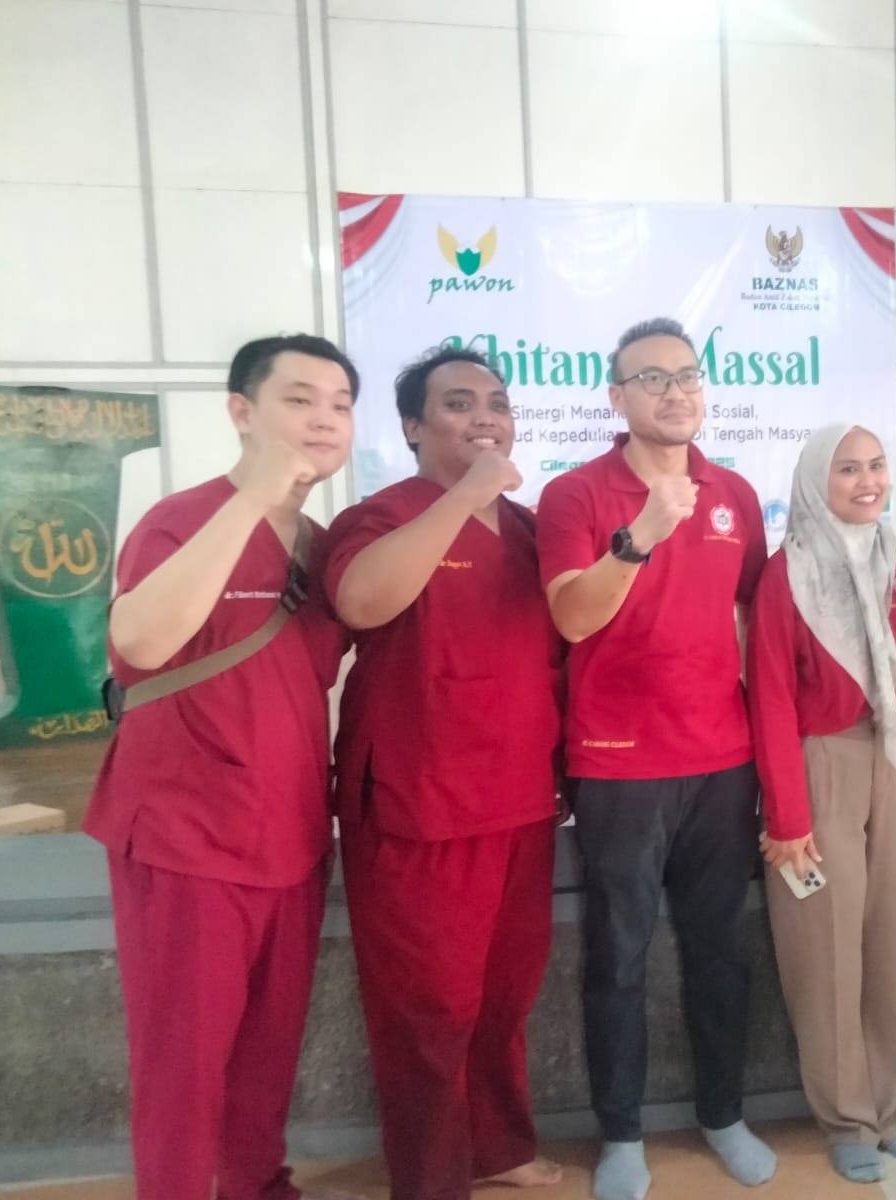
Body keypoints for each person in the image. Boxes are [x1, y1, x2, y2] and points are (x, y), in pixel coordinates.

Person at [83, 334, 357, 1200]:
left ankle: (256, 1185)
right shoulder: (182, 520)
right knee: (184, 1060)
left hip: (292, 835)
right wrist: (252, 500)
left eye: (340, 404)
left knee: (267, 1053)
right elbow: (138, 643)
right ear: (242, 412)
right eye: (299, 399)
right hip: (188, 834)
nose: (324, 418)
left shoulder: (322, 547)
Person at [534, 317, 775, 1200]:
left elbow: (761, 612)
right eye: (653, 379)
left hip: (722, 759)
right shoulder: (575, 495)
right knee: (619, 958)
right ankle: (623, 1134)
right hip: (618, 765)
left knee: (720, 951)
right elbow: (572, 617)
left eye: (688, 376)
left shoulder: (734, 492)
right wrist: (639, 534)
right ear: (617, 396)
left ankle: (724, 1113)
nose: (676, 392)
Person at [324, 347, 564, 1197]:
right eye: (459, 404)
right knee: (429, 1010)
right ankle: (430, 1179)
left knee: (504, 996)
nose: (485, 417)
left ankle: (498, 1146)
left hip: (521, 800)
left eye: (497, 402)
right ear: (412, 427)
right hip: (419, 804)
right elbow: (361, 602)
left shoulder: (530, 530)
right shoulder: (381, 516)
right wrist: (466, 494)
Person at [748, 423, 896, 1184]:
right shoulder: (786, 572)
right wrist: (787, 815)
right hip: (821, 758)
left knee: (891, 933)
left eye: (877, 466)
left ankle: (890, 1103)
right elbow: (771, 698)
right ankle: (846, 1115)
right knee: (825, 944)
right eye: (847, 469)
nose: (867, 481)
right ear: (817, 481)